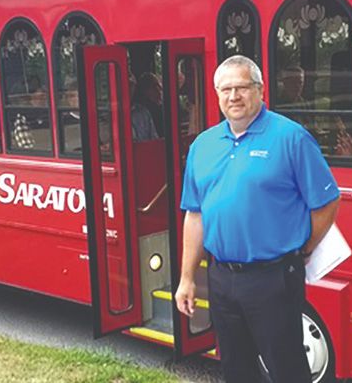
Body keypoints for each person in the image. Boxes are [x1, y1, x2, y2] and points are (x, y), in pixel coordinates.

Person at [174, 55, 340, 383]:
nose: (233, 96)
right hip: (221, 277)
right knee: (236, 369)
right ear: (217, 94)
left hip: (273, 277)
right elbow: (195, 215)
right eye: (226, 89)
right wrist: (187, 278)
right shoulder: (202, 146)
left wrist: (302, 250)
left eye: (242, 87)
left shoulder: (291, 138)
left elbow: (326, 202)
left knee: (287, 368)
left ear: (260, 90)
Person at [129, 72, 158, 141]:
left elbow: (154, 140)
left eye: (131, 85)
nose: (128, 89)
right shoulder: (108, 116)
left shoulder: (143, 113)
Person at [134, 72, 164, 137]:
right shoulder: (145, 112)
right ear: (145, 90)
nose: (159, 89)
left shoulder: (162, 107)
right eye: (155, 86)